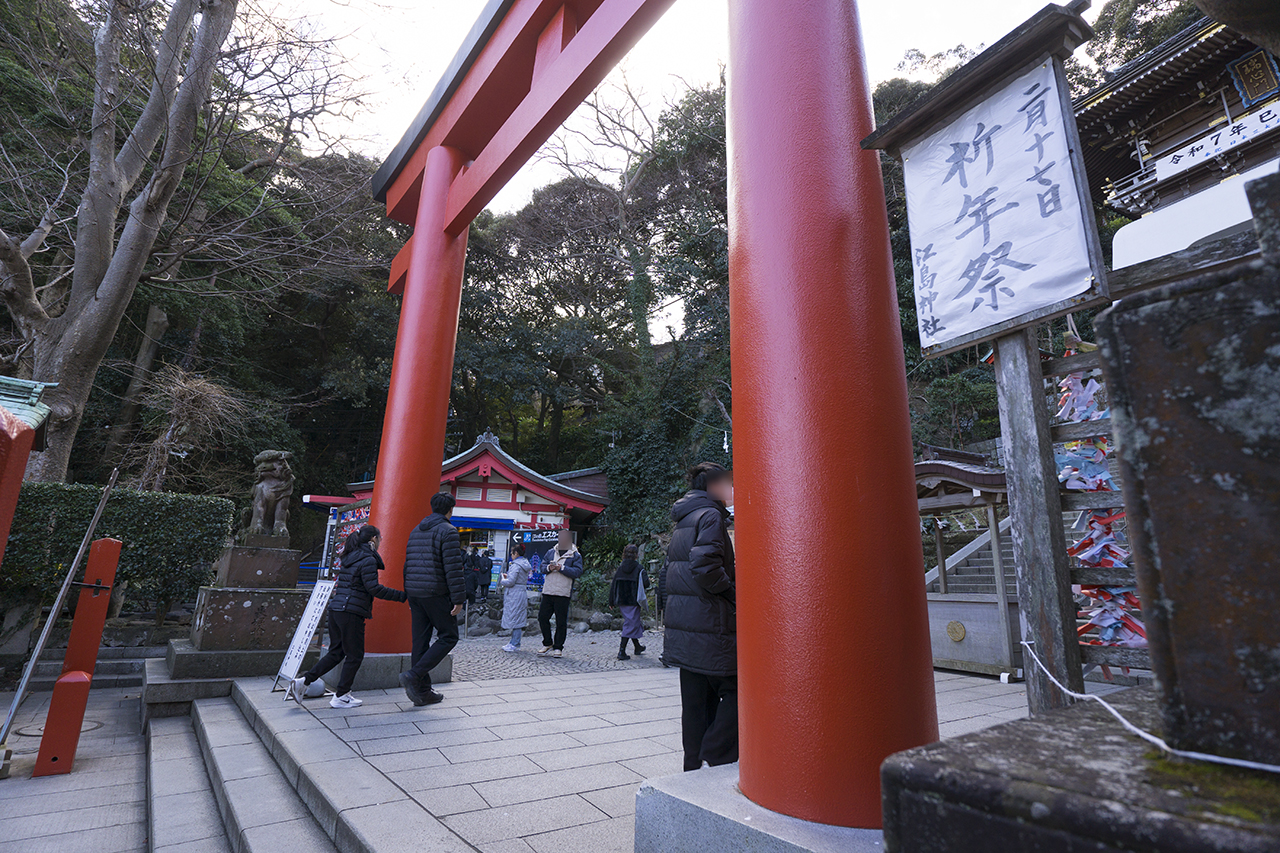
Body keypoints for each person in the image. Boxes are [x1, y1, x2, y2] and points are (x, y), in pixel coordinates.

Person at [660, 461, 738, 771]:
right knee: (739, 691)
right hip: (711, 626)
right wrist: (734, 593)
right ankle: (716, 752)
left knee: (694, 704)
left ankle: (693, 765)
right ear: (713, 486)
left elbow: (670, 573)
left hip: (685, 628)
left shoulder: (684, 519)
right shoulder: (711, 516)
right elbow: (705, 566)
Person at [291, 525, 406, 709]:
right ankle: (341, 695)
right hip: (351, 612)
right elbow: (374, 588)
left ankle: (304, 681)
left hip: (337, 609)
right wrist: (402, 596)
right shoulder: (367, 559)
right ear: (373, 540)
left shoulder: (349, 557)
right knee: (355, 655)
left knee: (337, 653)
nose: (380, 542)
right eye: (380, 539)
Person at [400, 492, 465, 706]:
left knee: (420, 641)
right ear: (450, 510)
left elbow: (407, 564)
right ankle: (414, 675)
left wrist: (408, 591)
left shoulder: (415, 530)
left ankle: (422, 691)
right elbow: (453, 568)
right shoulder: (448, 531)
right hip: (435, 592)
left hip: (415, 592)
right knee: (449, 636)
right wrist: (458, 598)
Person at [537, 529, 583, 657]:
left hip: (563, 592)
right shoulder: (551, 552)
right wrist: (549, 568)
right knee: (542, 617)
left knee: (561, 622)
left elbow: (578, 572)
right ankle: (547, 642)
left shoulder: (575, 555)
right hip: (548, 590)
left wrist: (561, 568)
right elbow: (542, 567)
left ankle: (558, 647)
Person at [609, 544, 647, 660]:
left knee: (632, 622)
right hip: (634, 601)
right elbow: (646, 584)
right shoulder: (639, 568)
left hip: (621, 601)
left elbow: (614, 585)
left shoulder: (620, 569)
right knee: (631, 624)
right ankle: (621, 651)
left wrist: (611, 601)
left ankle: (637, 647)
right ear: (636, 555)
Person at [500, 542, 533, 652]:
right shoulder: (525, 563)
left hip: (514, 594)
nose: (511, 555)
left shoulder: (516, 565)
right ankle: (514, 642)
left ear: (516, 553)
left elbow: (511, 581)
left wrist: (503, 580)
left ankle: (514, 643)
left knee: (516, 619)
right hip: (521, 592)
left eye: (512, 553)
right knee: (518, 618)